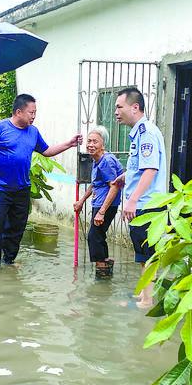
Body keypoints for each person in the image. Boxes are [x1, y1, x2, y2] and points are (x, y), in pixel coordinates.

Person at [0, 93, 82, 271]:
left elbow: (47, 151)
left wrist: (69, 144)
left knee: (17, 228)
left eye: (35, 112)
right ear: (18, 112)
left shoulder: (33, 132)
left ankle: (9, 260)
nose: (34, 116)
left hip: (22, 188)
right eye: (31, 112)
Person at [112, 87, 167, 307]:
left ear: (135, 107)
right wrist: (125, 176)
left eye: (119, 106)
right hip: (143, 202)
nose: (116, 111)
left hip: (147, 205)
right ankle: (145, 295)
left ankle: (147, 300)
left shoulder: (147, 133)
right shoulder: (139, 132)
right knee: (143, 253)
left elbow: (151, 169)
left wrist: (133, 199)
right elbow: (141, 166)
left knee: (148, 254)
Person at [72, 126, 124, 274]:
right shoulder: (97, 160)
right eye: (89, 141)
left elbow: (114, 187)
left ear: (103, 145)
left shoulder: (106, 161)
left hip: (106, 205)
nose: (91, 145)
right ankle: (105, 267)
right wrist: (81, 201)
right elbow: (95, 184)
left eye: (95, 142)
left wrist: (102, 212)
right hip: (100, 203)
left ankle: (102, 273)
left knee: (94, 236)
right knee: (98, 236)